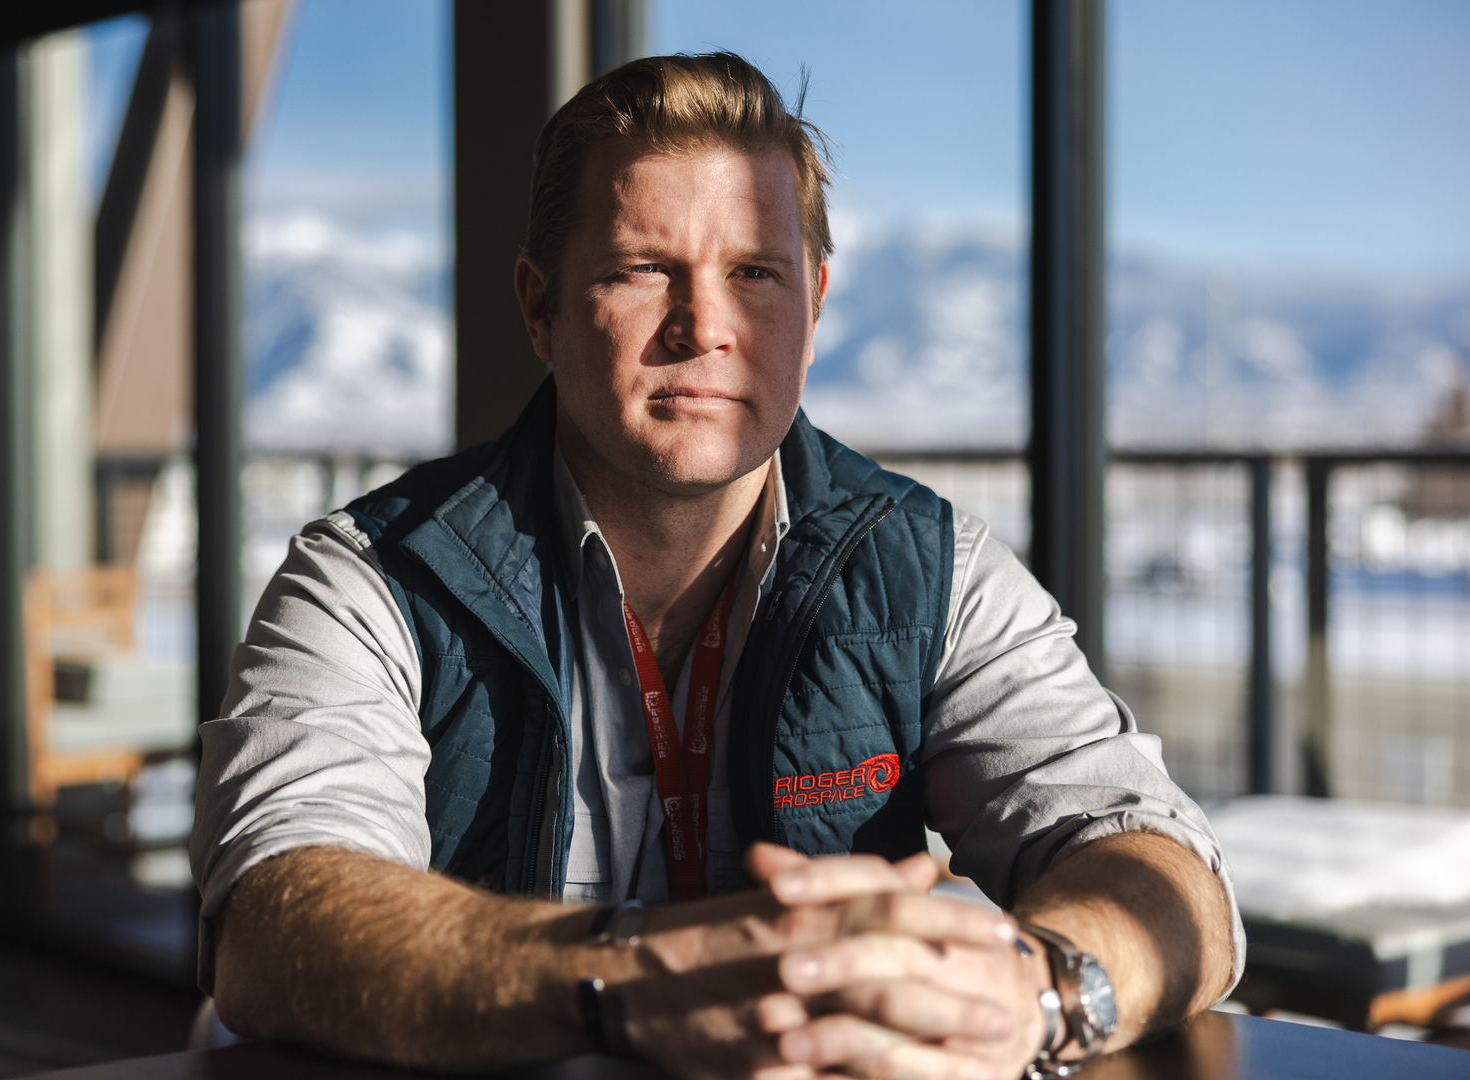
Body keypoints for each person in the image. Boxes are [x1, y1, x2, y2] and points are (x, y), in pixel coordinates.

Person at [189, 52, 1241, 1079]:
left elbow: (1165, 868)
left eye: (754, 274)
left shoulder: (928, 568)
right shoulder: (374, 576)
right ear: (538, 307)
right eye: (642, 270)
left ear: (816, 304)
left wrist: (1042, 991)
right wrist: (628, 985)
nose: (706, 329)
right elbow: (278, 920)